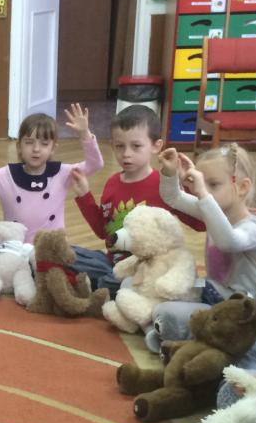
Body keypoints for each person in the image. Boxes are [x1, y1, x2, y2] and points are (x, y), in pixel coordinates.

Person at [149, 143, 256, 350]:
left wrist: (202, 193)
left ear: (242, 187)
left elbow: (228, 241)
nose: (205, 191)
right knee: (164, 289)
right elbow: (173, 197)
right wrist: (170, 173)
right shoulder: (211, 209)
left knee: (165, 313)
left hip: (243, 309)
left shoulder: (254, 227)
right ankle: (179, 333)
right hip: (212, 291)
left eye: (214, 184)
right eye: (203, 182)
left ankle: (183, 335)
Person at [70, 104, 205, 293]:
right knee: (68, 254)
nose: (126, 154)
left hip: (150, 271)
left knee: (107, 281)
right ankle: (102, 286)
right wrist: (85, 196)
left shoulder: (165, 184)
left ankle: (101, 287)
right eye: (120, 146)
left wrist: (192, 189)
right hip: (114, 265)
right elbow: (104, 232)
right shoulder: (112, 183)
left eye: (136, 146)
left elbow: (200, 224)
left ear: (156, 146)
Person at [0, 104, 103, 244]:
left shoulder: (61, 173)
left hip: (52, 248)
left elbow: (95, 164)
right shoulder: (7, 175)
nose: (36, 149)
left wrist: (85, 134)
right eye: (29, 142)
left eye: (44, 144)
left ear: (53, 148)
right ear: (19, 146)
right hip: (15, 247)